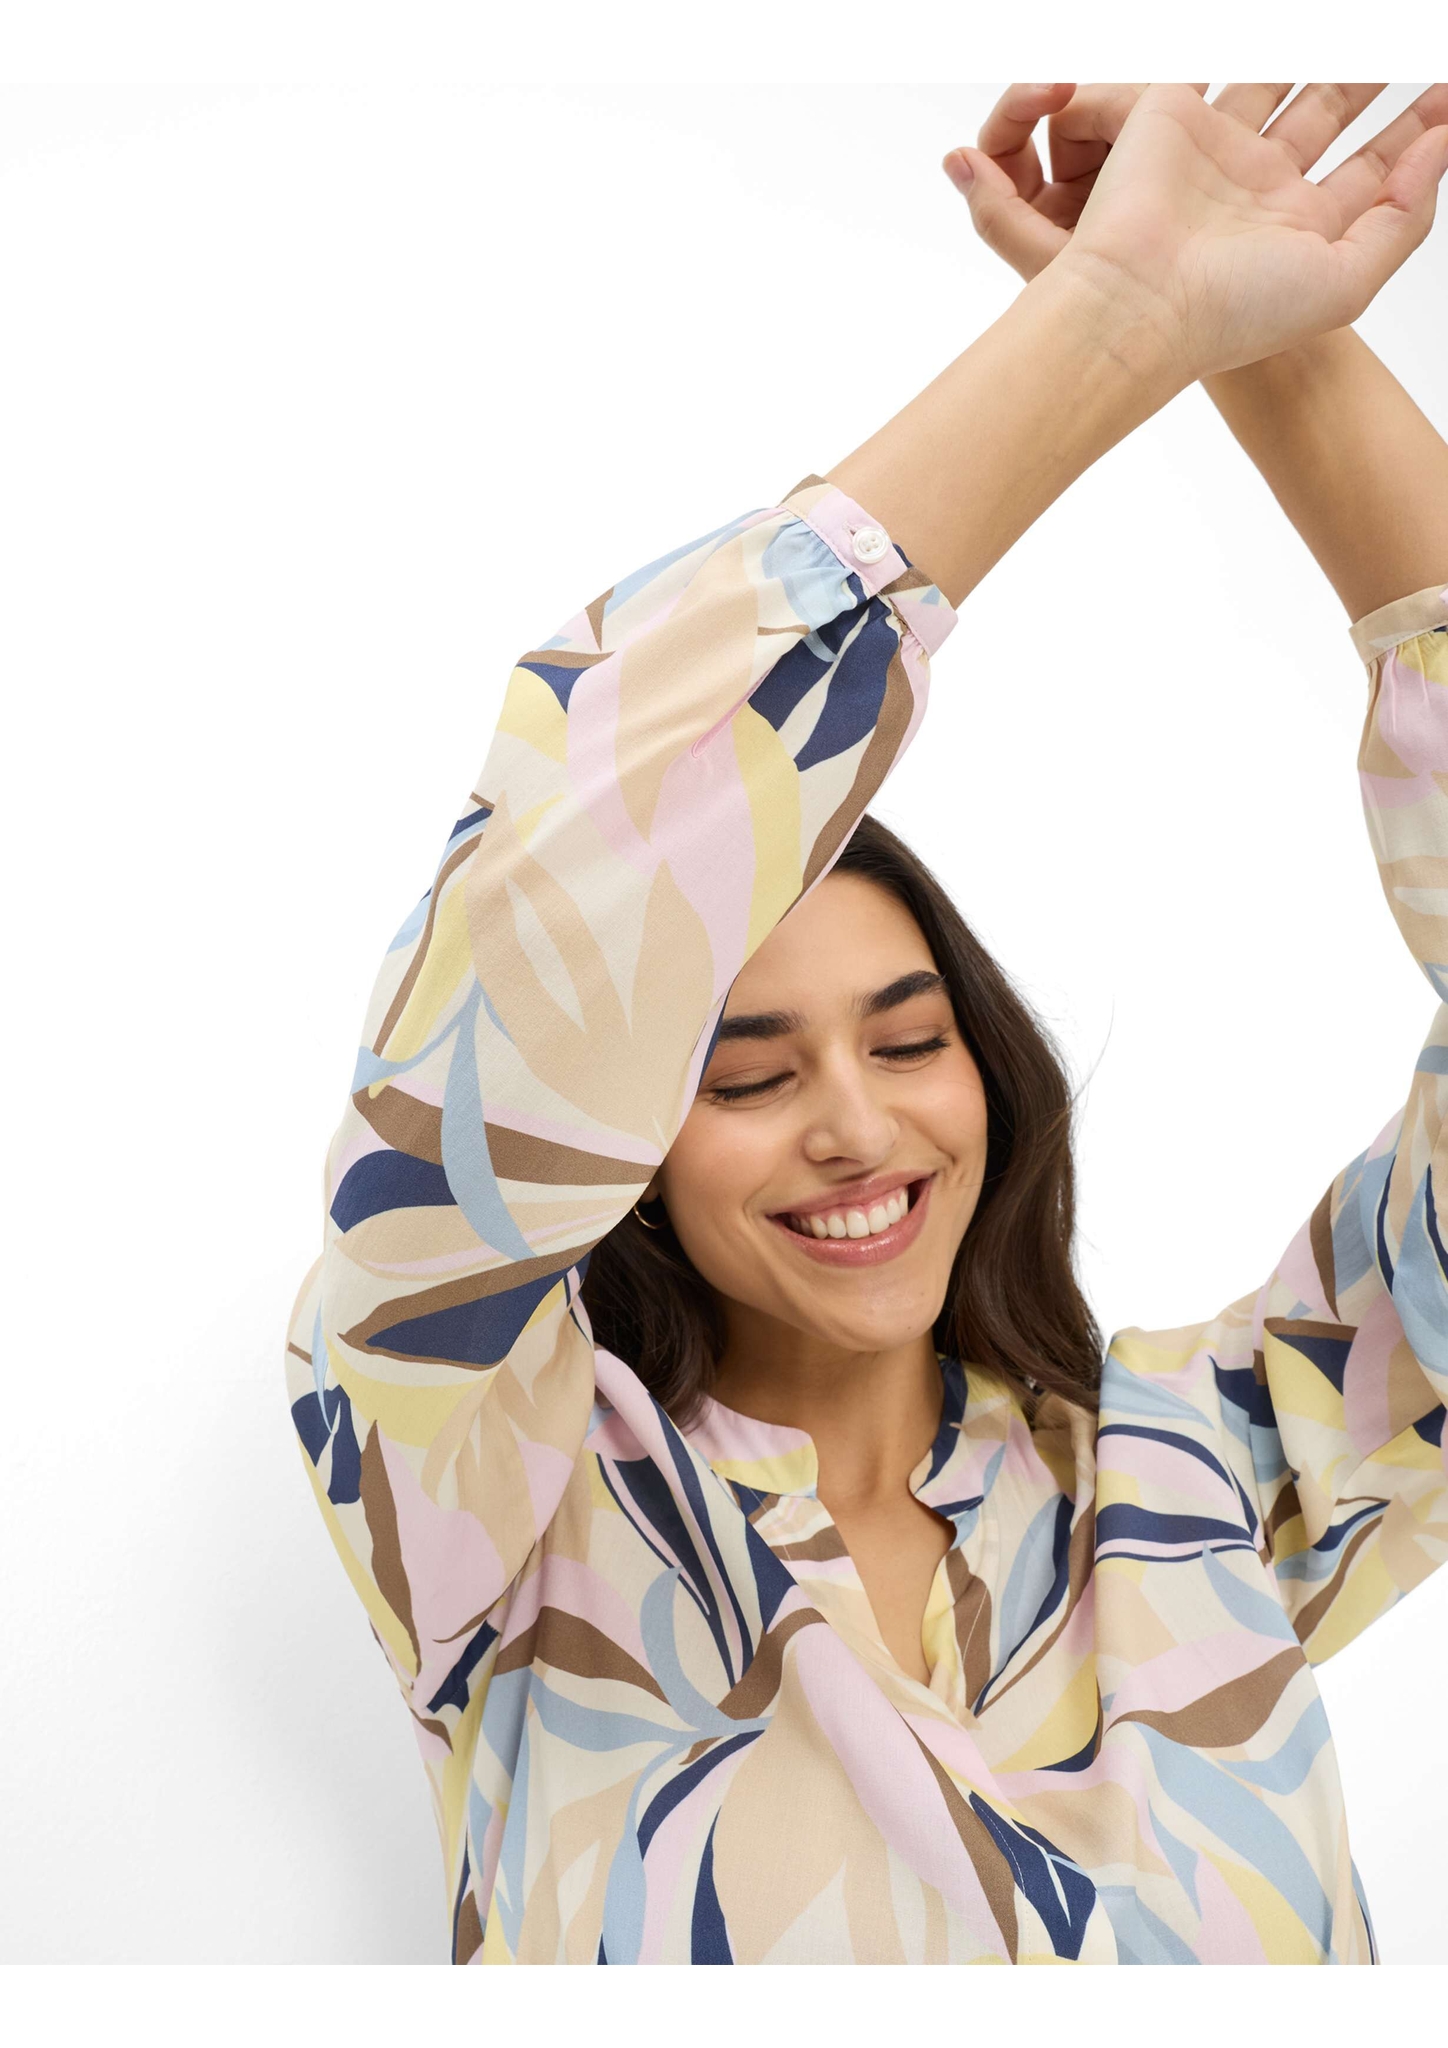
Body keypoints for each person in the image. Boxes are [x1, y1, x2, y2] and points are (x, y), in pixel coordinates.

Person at [284, 82, 1448, 1963]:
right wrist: (1109, 321)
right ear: (629, 1133)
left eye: (909, 1043)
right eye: (744, 1071)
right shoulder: (504, 1499)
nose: (856, 1121)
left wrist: (1273, 333)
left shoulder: (1208, 1475)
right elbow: (527, 966)